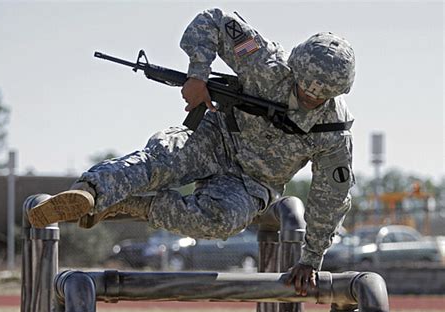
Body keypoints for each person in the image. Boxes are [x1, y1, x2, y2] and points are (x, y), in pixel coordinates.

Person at [29, 8, 355, 296]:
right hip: (215, 138)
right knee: (162, 162)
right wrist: (198, 75)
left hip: (252, 181)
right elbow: (214, 20)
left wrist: (311, 259)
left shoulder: (333, 134)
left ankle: (131, 204)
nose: (310, 98)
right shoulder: (265, 63)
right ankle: (90, 192)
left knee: (221, 221)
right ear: (295, 68)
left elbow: (330, 198)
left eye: (320, 97)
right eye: (304, 87)